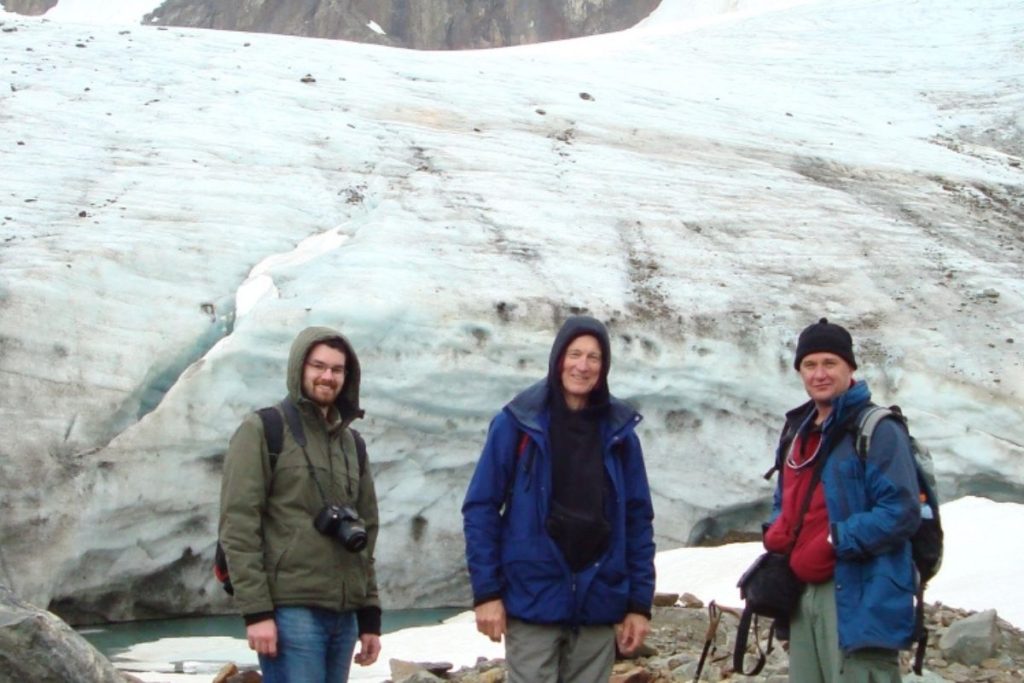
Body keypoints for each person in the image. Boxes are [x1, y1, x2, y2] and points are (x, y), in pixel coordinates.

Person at [462, 315, 656, 683]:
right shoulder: (517, 423)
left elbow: (637, 520)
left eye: (594, 357)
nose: (582, 366)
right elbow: (481, 508)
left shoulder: (620, 435)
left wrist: (638, 605)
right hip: (533, 600)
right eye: (574, 354)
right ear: (557, 359)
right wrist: (486, 593)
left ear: (605, 366)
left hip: (597, 604)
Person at [219, 326, 381, 683]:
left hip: (344, 615)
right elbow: (239, 525)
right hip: (291, 612)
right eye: (318, 366)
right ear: (299, 368)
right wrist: (257, 612)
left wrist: (369, 616)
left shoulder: (352, 444)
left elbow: (365, 532)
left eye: (337, 370)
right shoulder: (263, 430)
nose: (327, 376)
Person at [763, 318, 921, 682]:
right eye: (810, 364)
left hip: (860, 592)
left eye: (829, 363)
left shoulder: (876, 430)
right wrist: (777, 531)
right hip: (804, 594)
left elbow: (901, 510)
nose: (819, 374)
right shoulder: (798, 432)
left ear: (850, 367)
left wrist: (836, 540)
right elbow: (784, 498)